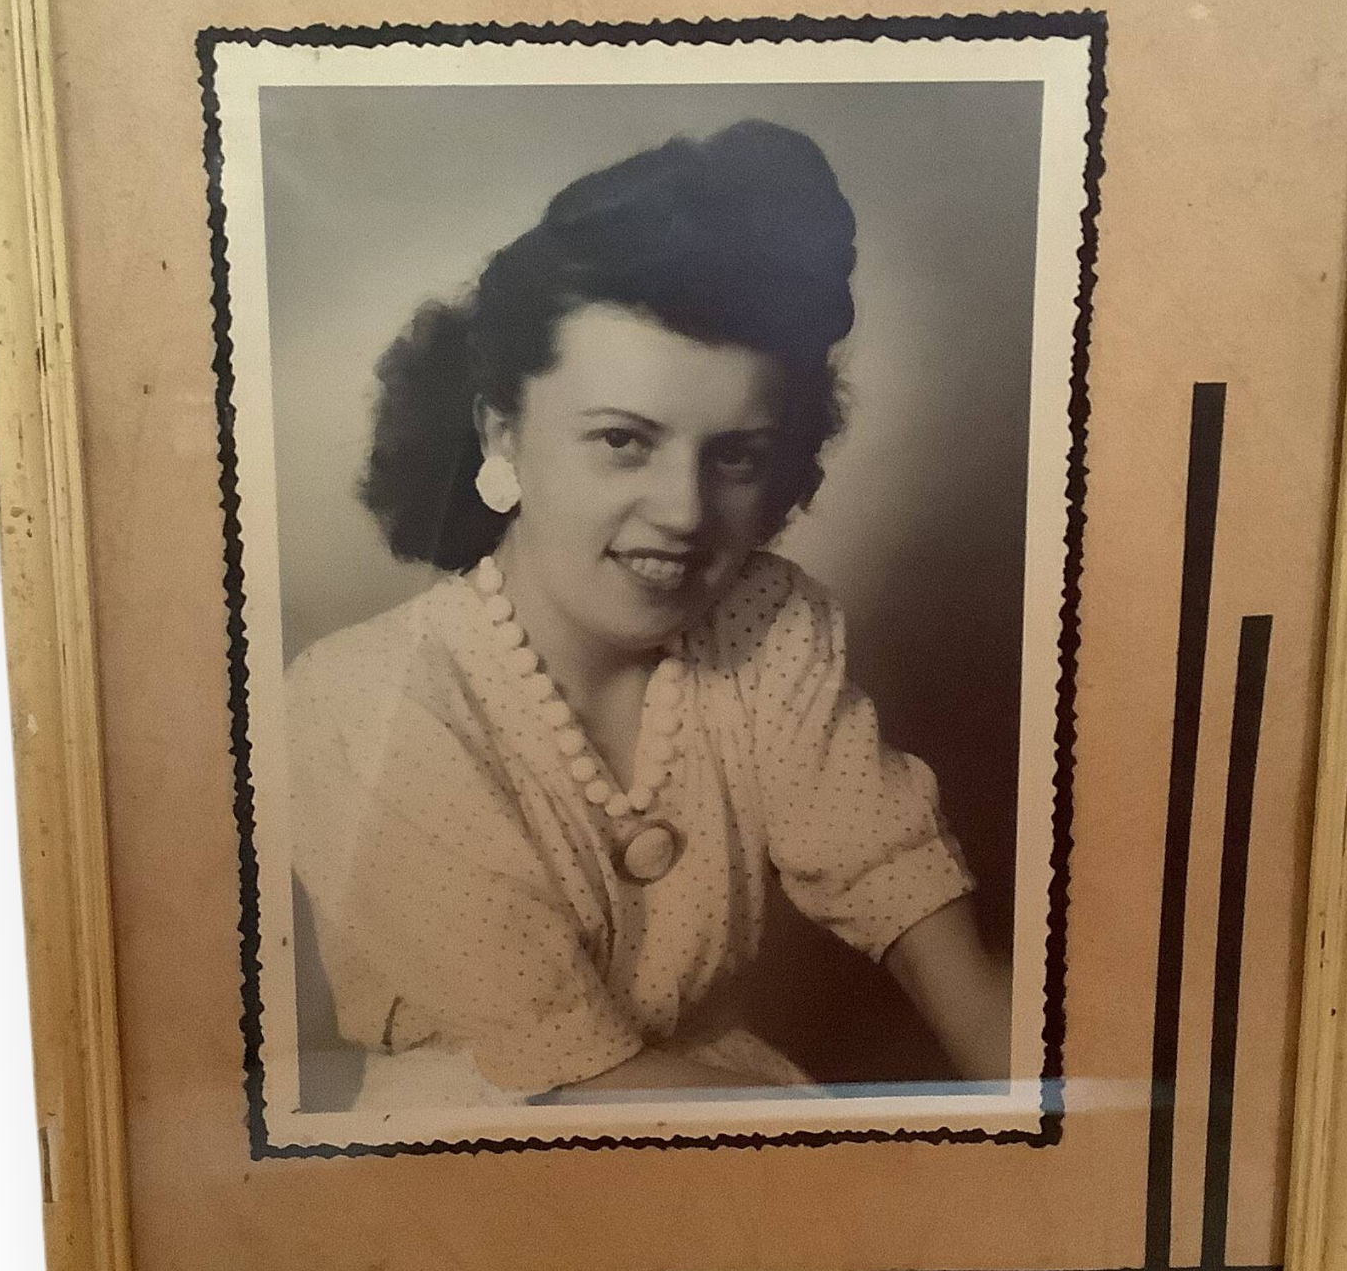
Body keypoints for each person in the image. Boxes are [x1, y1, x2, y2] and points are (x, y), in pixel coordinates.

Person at [285, 117, 1013, 1110]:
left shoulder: (765, 621)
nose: (682, 508)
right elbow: (573, 1071)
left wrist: (1057, 1130)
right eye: (623, 440)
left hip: (725, 1104)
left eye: (734, 454)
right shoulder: (359, 699)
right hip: (478, 1157)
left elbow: (896, 879)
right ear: (503, 430)